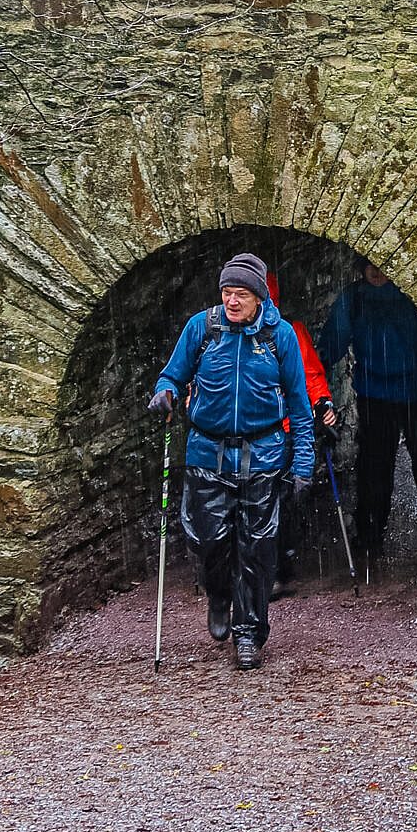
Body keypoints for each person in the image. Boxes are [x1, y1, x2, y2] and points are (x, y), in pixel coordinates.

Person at [148, 252, 314, 670]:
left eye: (241, 293)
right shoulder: (202, 328)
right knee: (209, 542)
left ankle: (249, 634)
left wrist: (303, 463)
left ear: (259, 297)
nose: (232, 301)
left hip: (263, 455)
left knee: (257, 550)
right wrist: (165, 392)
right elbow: (173, 374)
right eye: (227, 292)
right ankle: (219, 593)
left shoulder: (279, 336)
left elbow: (299, 404)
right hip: (207, 452)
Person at [318, 259, 417, 563]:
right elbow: (332, 342)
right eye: (370, 266)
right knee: (374, 467)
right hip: (376, 395)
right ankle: (371, 529)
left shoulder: (413, 294)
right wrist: (314, 379)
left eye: (382, 265)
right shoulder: (354, 299)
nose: (376, 271)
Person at [265, 271, 337, 598]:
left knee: (278, 498)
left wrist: (323, 401)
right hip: (250, 431)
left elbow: (311, 374)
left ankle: (277, 566)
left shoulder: (290, 331)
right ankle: (268, 566)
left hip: (285, 430)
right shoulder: (224, 333)